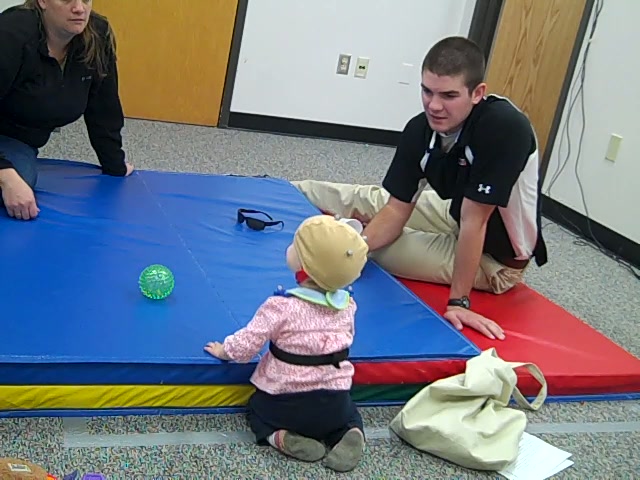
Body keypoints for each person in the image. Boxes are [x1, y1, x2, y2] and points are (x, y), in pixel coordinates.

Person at [293, 36, 548, 340]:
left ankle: (342, 242)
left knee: (379, 253)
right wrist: (361, 241)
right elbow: (396, 208)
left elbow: (475, 221)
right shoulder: (420, 128)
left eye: (449, 95)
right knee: (368, 198)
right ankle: (281, 188)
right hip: (455, 212)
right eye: (427, 91)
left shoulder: (505, 128)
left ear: (477, 93)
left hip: (494, 258)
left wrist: (459, 303)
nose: (434, 105)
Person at [204, 214, 369, 473]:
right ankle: (350, 432)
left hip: (286, 403)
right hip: (334, 403)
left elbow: (247, 344)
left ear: (303, 267)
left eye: (295, 247)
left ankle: (280, 436)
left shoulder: (280, 307)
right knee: (349, 414)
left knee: (256, 409)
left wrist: (224, 350)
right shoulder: (348, 306)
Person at [0, 0, 133, 221]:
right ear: (43, 1)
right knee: (11, 185)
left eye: (85, 0)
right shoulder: (10, 33)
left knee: (21, 181)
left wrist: (114, 163)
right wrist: (4, 174)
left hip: (16, 140)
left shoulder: (96, 35)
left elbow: (104, 107)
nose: (79, 8)